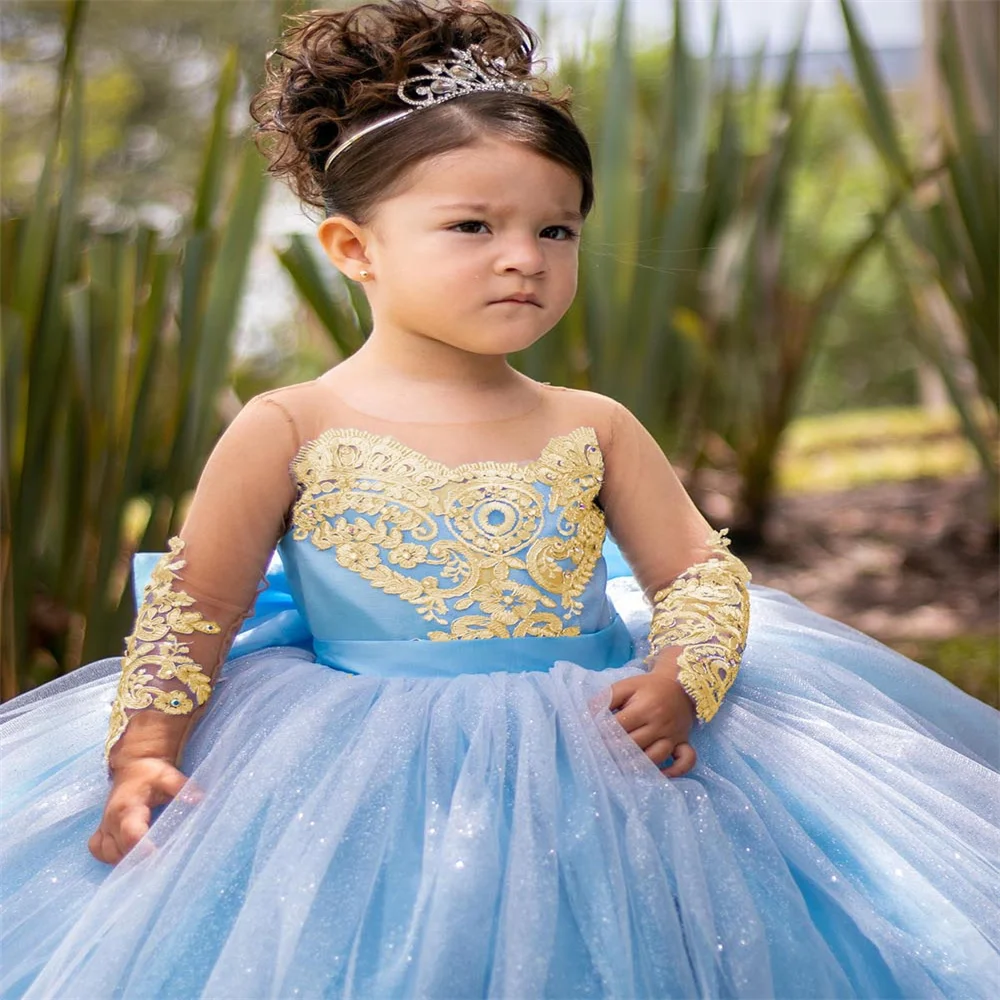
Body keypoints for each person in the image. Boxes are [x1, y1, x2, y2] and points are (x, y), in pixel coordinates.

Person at [2, 1, 997, 997]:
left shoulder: (591, 423)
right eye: (473, 225)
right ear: (354, 249)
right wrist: (143, 754)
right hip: (353, 767)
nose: (524, 255)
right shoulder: (290, 423)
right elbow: (196, 604)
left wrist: (681, 677)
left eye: (554, 227)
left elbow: (695, 571)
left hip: (594, 752)